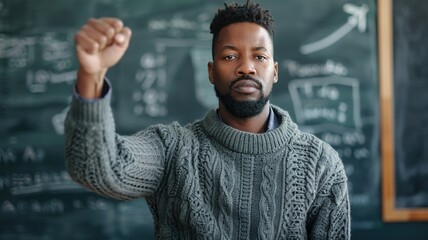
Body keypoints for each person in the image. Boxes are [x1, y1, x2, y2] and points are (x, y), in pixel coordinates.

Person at [65, 0, 351, 239]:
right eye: (230, 56)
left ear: (274, 72)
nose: (246, 68)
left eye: (260, 57)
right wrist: (92, 75)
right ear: (211, 72)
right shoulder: (173, 150)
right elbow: (97, 167)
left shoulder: (320, 163)